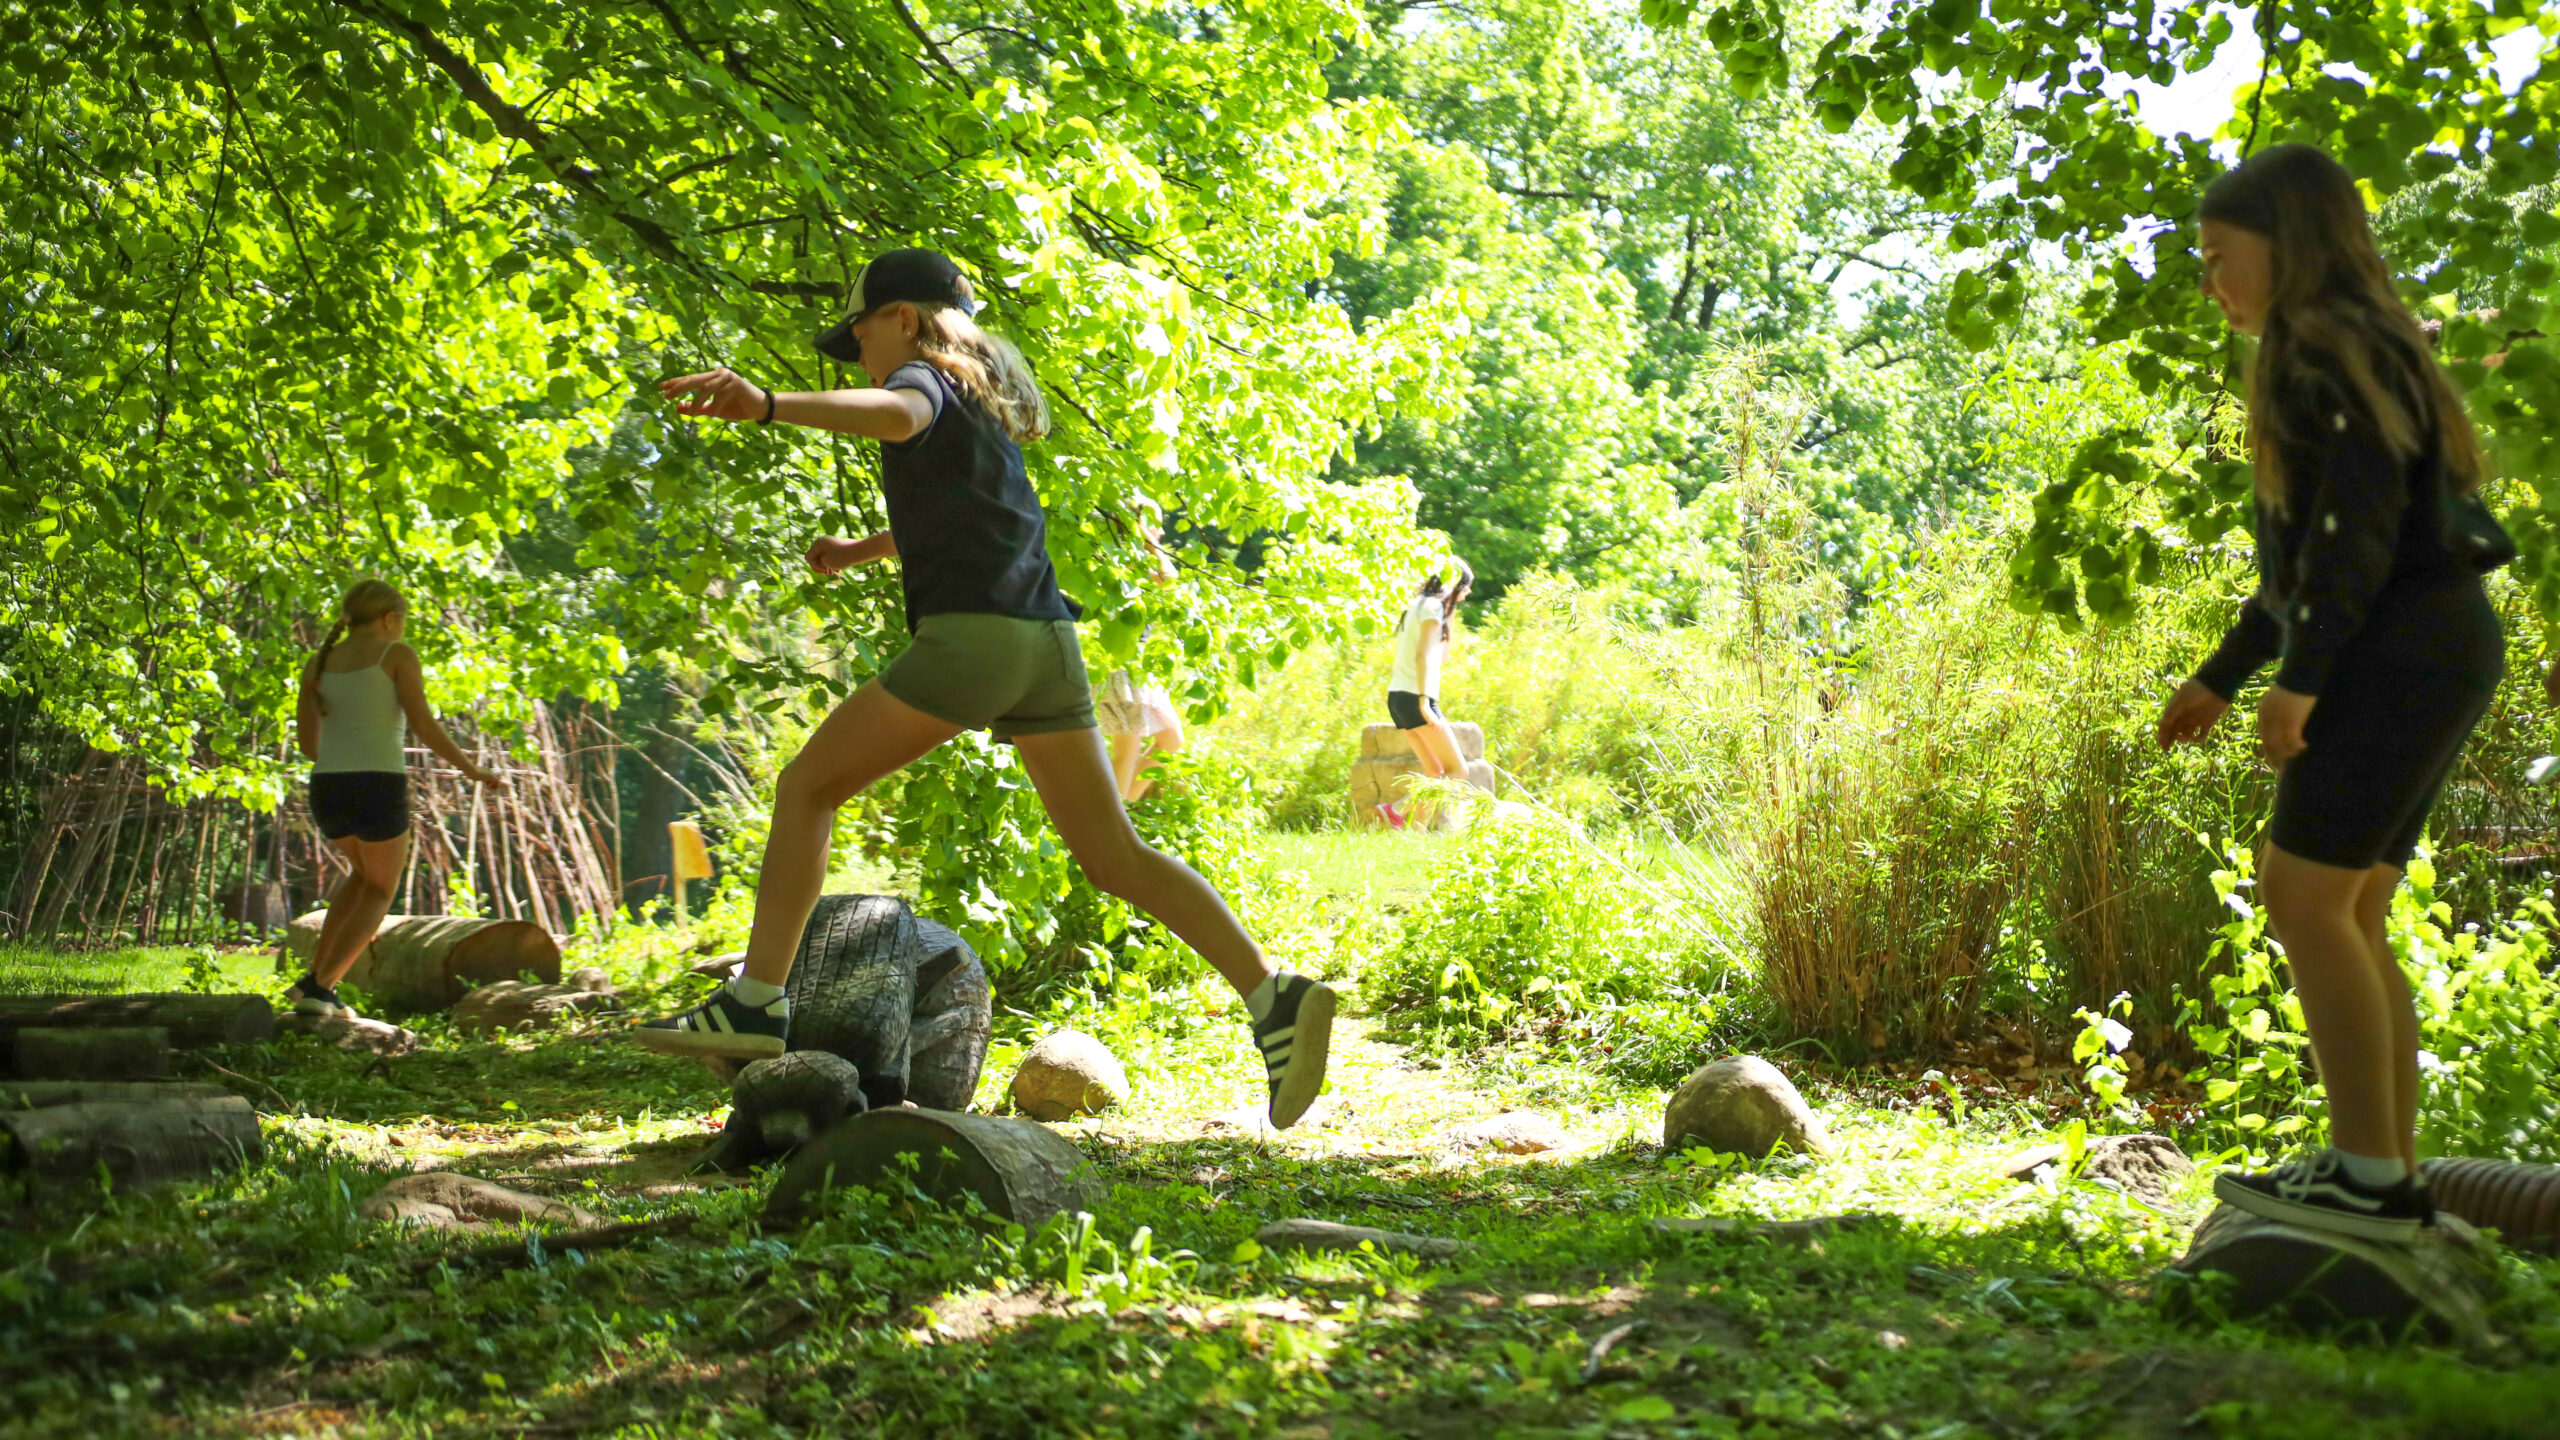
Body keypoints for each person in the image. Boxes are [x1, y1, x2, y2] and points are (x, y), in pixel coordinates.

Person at [633, 248, 1337, 1127]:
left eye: (859, 332)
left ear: (899, 317)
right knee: (1112, 855)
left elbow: (895, 413)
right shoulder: (980, 400)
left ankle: (755, 1000)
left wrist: (768, 404)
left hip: (975, 641)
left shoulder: (924, 378)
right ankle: (1274, 995)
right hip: (1045, 642)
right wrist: (865, 550)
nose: (857, 350)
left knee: (806, 787)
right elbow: (966, 510)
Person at [2155, 145, 2513, 1242]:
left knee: (2303, 897)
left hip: (2393, 651)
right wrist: (2221, 674)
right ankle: (2389, 1177)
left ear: (2288, 247)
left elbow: (2348, 547)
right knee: (2350, 906)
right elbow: (2306, 564)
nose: (2209, 280)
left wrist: (2297, 686)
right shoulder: (2368, 349)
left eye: (2220, 257)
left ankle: (2366, 1179)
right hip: (2440, 640)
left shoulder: (2317, 349)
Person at [288, 579, 507, 1018]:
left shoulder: (319, 661)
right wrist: (473, 770)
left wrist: (341, 755)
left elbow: (308, 743)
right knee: (381, 889)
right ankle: (322, 989)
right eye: (402, 621)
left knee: (360, 877)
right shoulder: (396, 655)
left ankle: (312, 982)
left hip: (327, 786)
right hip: (377, 785)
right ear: (390, 619)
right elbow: (423, 724)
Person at [1375, 560, 1472, 829]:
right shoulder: (1431, 608)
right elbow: (1424, 658)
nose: (1468, 594)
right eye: (1465, 587)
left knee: (1434, 771)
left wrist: (1449, 616)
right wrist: (1425, 702)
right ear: (1454, 585)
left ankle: (1414, 833)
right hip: (1416, 698)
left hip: (1398, 697)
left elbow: (1442, 657)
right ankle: (1397, 808)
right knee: (1458, 770)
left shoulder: (1419, 605)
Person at [1098, 670, 1186, 803]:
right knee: (1127, 751)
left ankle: (1121, 811)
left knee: (1171, 740)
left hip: (1141, 670)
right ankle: (1110, 818)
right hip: (1120, 670)